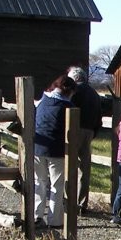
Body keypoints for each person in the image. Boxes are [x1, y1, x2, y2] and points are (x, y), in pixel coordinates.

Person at [33, 74, 76, 228]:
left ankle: (36, 216)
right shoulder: (67, 107)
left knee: (40, 182)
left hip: (37, 147)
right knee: (56, 186)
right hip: (56, 151)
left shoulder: (43, 101)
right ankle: (55, 220)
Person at [67, 66, 104, 214]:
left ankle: (69, 201)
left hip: (74, 130)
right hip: (89, 132)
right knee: (84, 169)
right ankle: (82, 203)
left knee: (69, 165)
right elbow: (99, 117)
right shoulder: (94, 93)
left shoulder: (74, 91)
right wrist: (93, 132)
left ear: (74, 78)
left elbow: (68, 109)